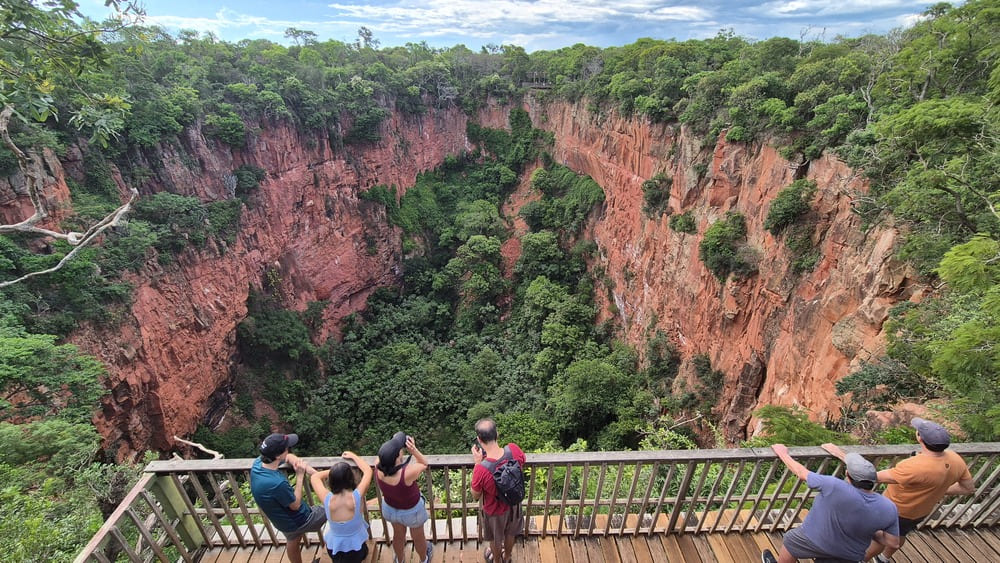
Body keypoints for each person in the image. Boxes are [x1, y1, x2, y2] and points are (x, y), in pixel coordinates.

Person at [822, 417, 975, 562]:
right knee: (900, 533)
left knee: (879, 538)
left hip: (895, 510)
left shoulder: (914, 466)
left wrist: (842, 455)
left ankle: (860, 559)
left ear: (920, 438)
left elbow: (870, 476)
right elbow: (968, 488)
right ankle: (884, 558)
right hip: (921, 511)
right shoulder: (955, 459)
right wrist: (938, 489)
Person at [761, 443, 900, 563]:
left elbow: (801, 472)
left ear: (847, 474)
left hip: (815, 542)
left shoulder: (833, 485)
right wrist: (870, 531)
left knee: (791, 540)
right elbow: (893, 543)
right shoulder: (888, 507)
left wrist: (782, 453)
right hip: (850, 554)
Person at [249, 433, 326, 563]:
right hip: (300, 520)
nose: (288, 450)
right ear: (278, 456)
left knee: (293, 539)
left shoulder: (258, 464)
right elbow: (295, 505)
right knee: (335, 508)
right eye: (286, 448)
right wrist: (300, 475)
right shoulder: (276, 483)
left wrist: (313, 472)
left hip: (282, 521)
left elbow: (289, 457)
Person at [470, 418, 525, 563]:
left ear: (479, 440)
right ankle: (507, 557)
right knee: (510, 533)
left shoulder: (482, 469)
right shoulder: (513, 449)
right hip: (513, 503)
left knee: (495, 538)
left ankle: (496, 559)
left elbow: (475, 495)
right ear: (497, 434)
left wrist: (477, 463)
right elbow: (522, 462)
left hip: (494, 510)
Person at [376, 431, 433, 563]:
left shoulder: (378, 468)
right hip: (411, 512)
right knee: (418, 537)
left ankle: (400, 560)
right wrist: (413, 450)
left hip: (390, 509)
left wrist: (392, 445)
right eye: (399, 450)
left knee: (398, 536)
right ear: (397, 459)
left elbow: (383, 457)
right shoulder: (406, 474)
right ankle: (424, 559)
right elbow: (424, 464)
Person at [310, 451, 374, 563]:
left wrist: (335, 473)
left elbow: (315, 477)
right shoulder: (356, 497)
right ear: (350, 478)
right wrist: (353, 457)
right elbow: (368, 470)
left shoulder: (327, 498)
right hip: (356, 549)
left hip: (334, 548)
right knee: (361, 555)